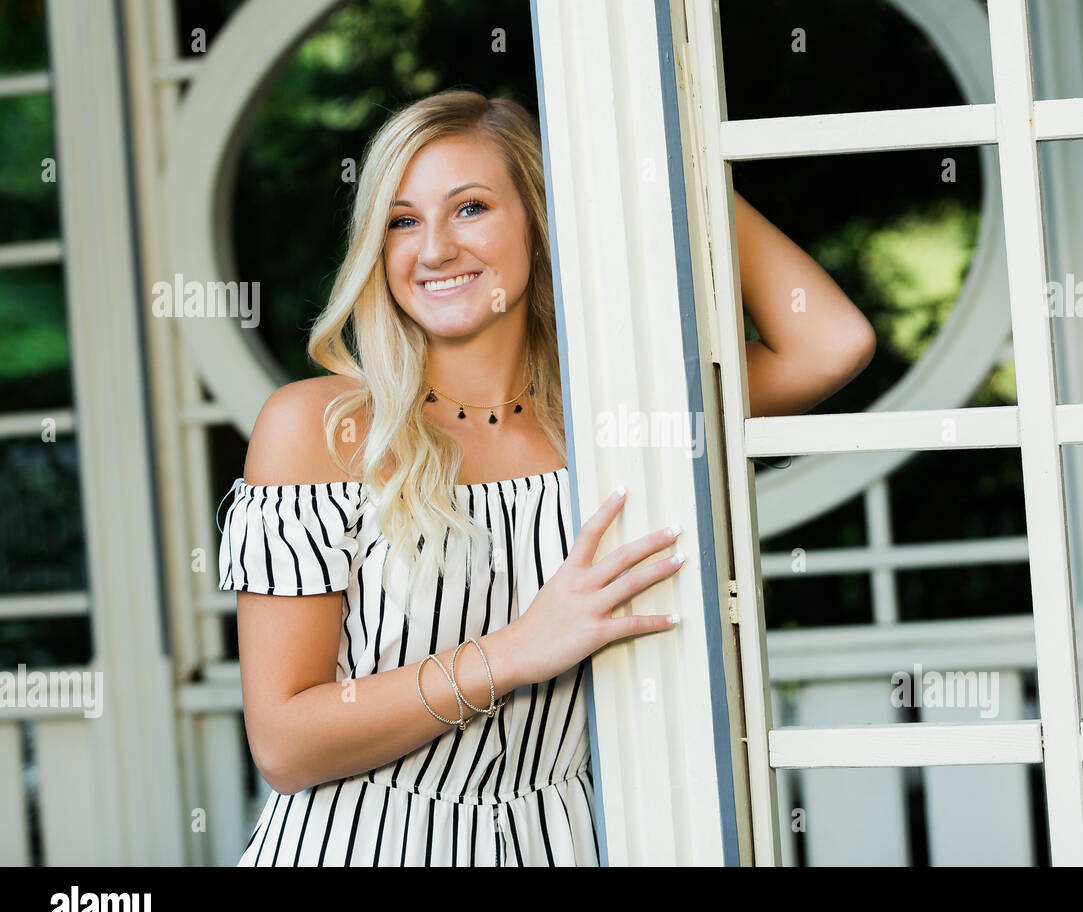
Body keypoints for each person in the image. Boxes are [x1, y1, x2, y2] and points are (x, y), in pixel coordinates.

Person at [216, 88, 875, 866]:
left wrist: (661, 159)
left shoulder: (611, 422)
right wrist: (514, 652)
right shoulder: (322, 428)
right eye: (402, 221)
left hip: (556, 843)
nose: (433, 250)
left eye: (469, 209)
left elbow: (830, 342)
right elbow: (285, 744)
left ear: (541, 217)